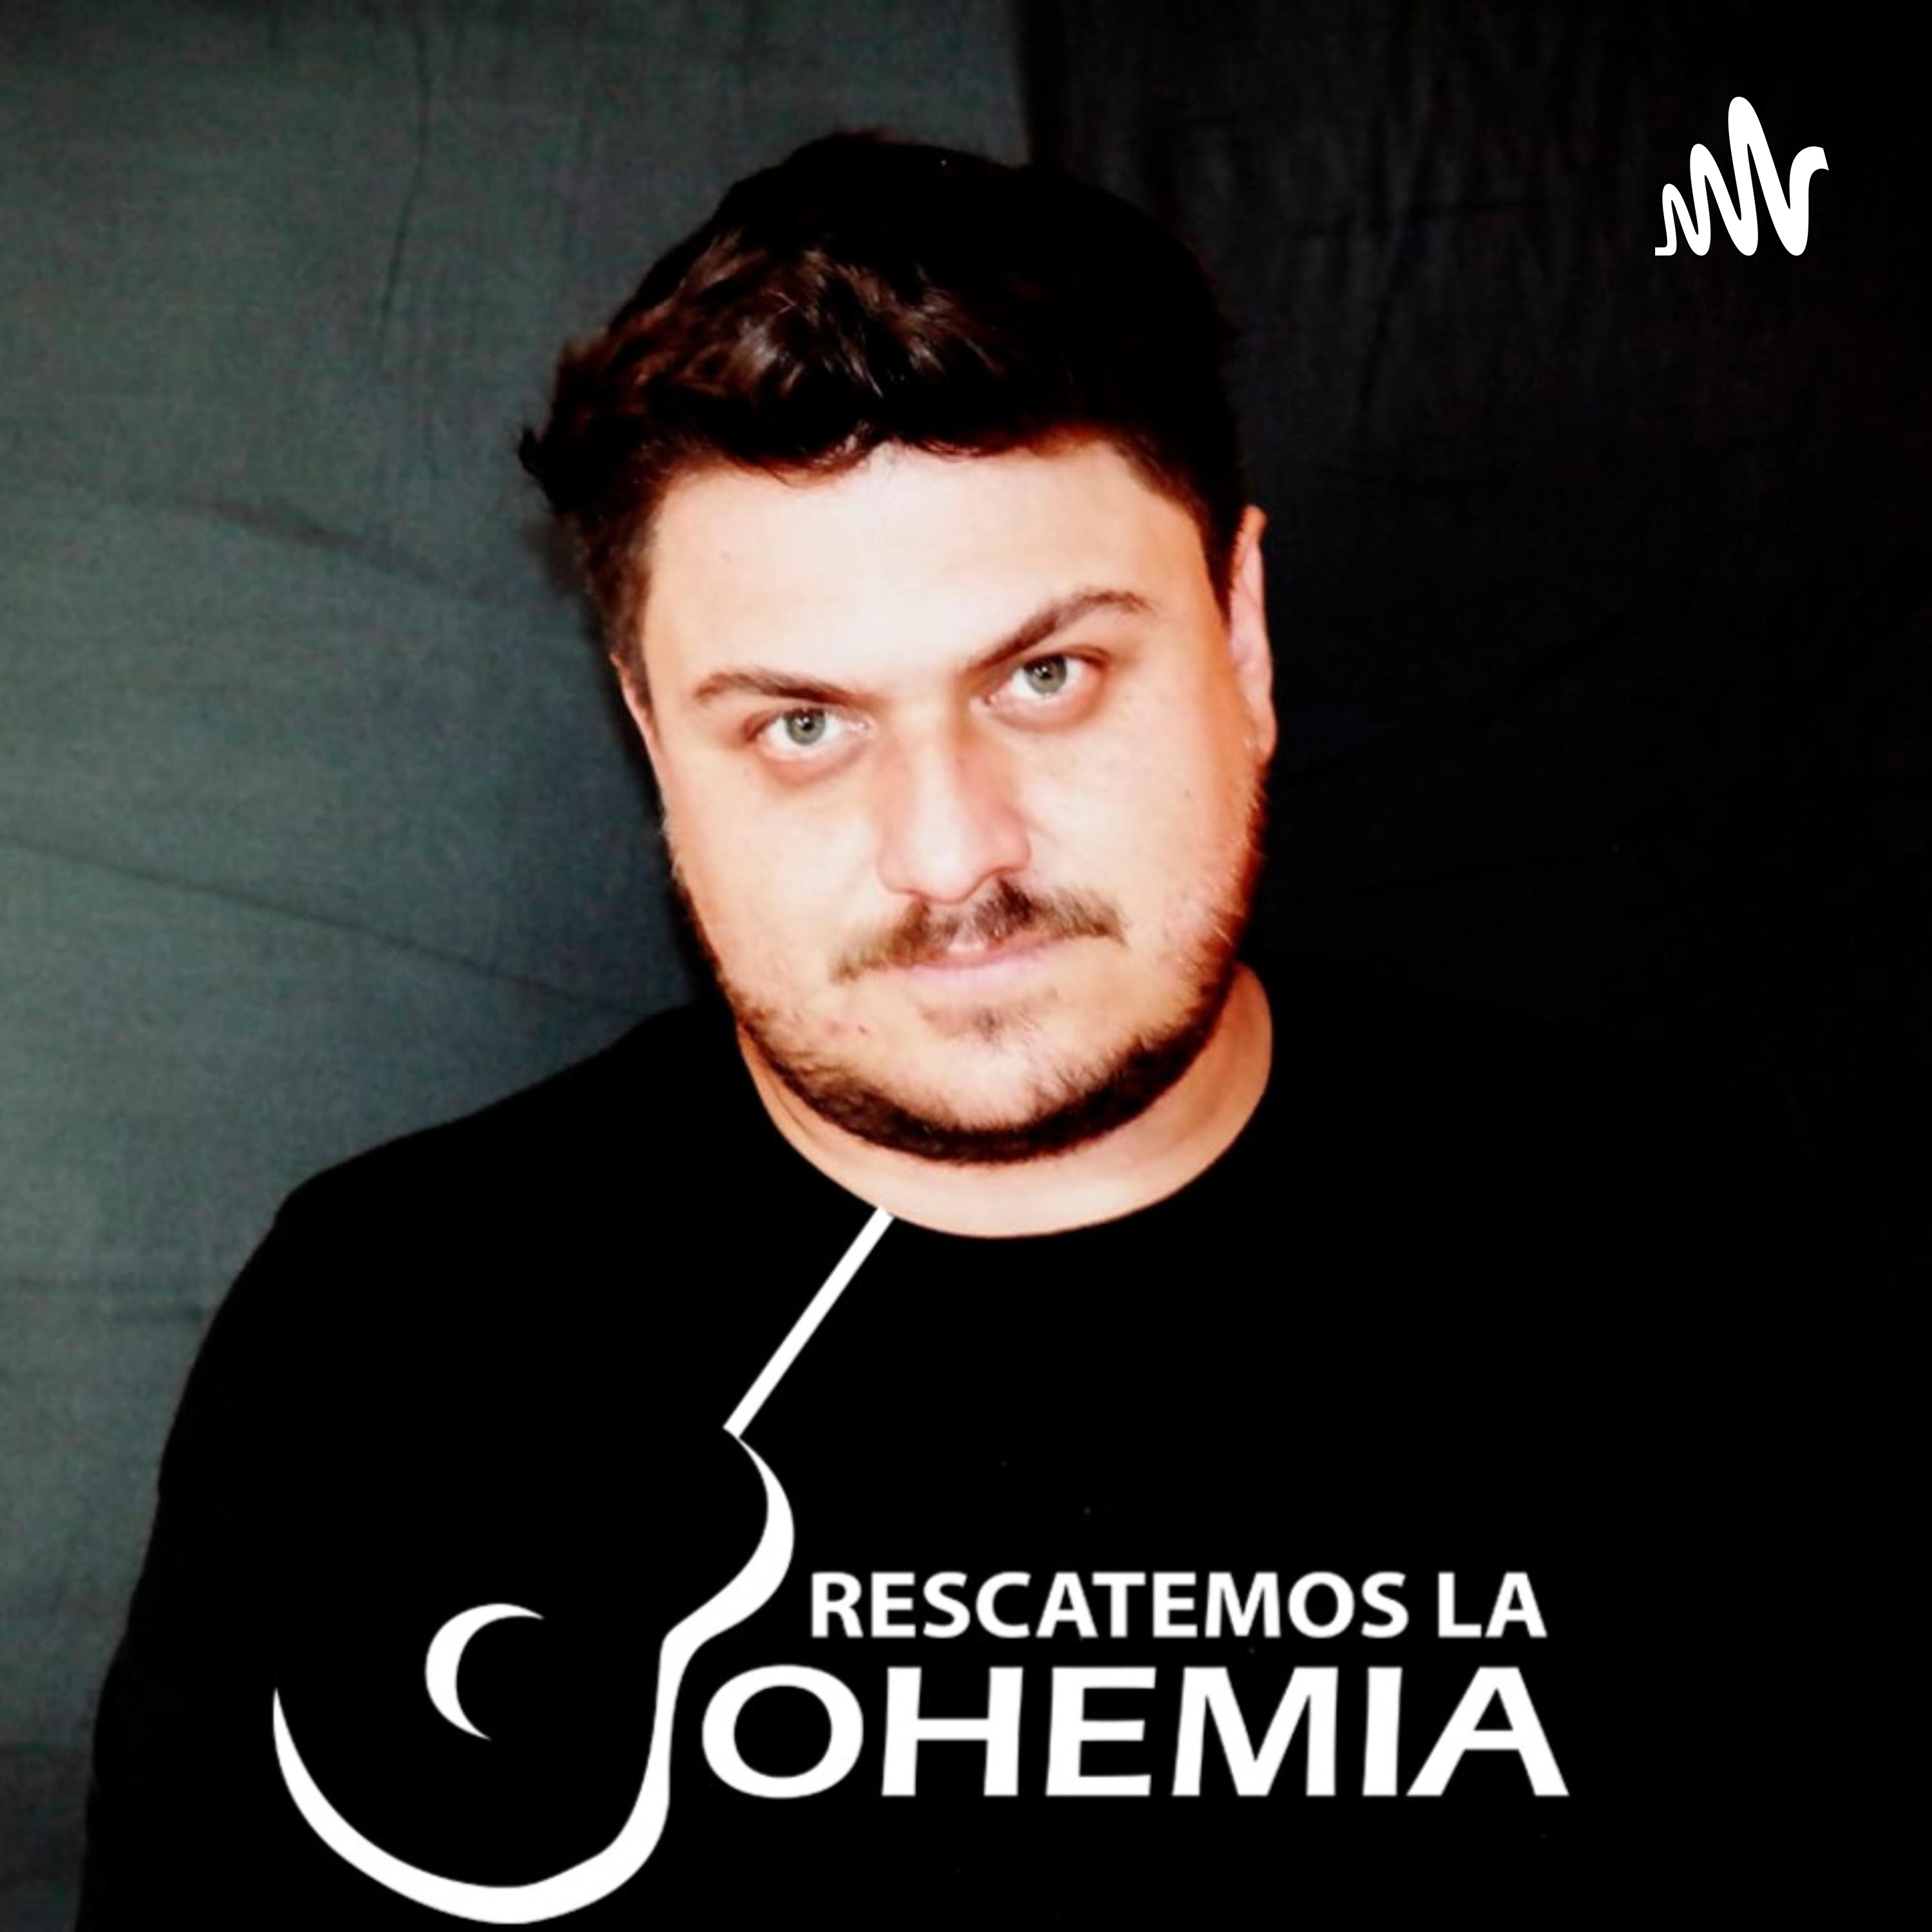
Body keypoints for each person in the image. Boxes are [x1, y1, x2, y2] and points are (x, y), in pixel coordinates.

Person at [80, 133, 1854, 1926]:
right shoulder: (399, 1334)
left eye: (1048, 676)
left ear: (1241, 641)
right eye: (801, 725)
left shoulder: (1666, 1241)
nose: (951, 855)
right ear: (652, 736)